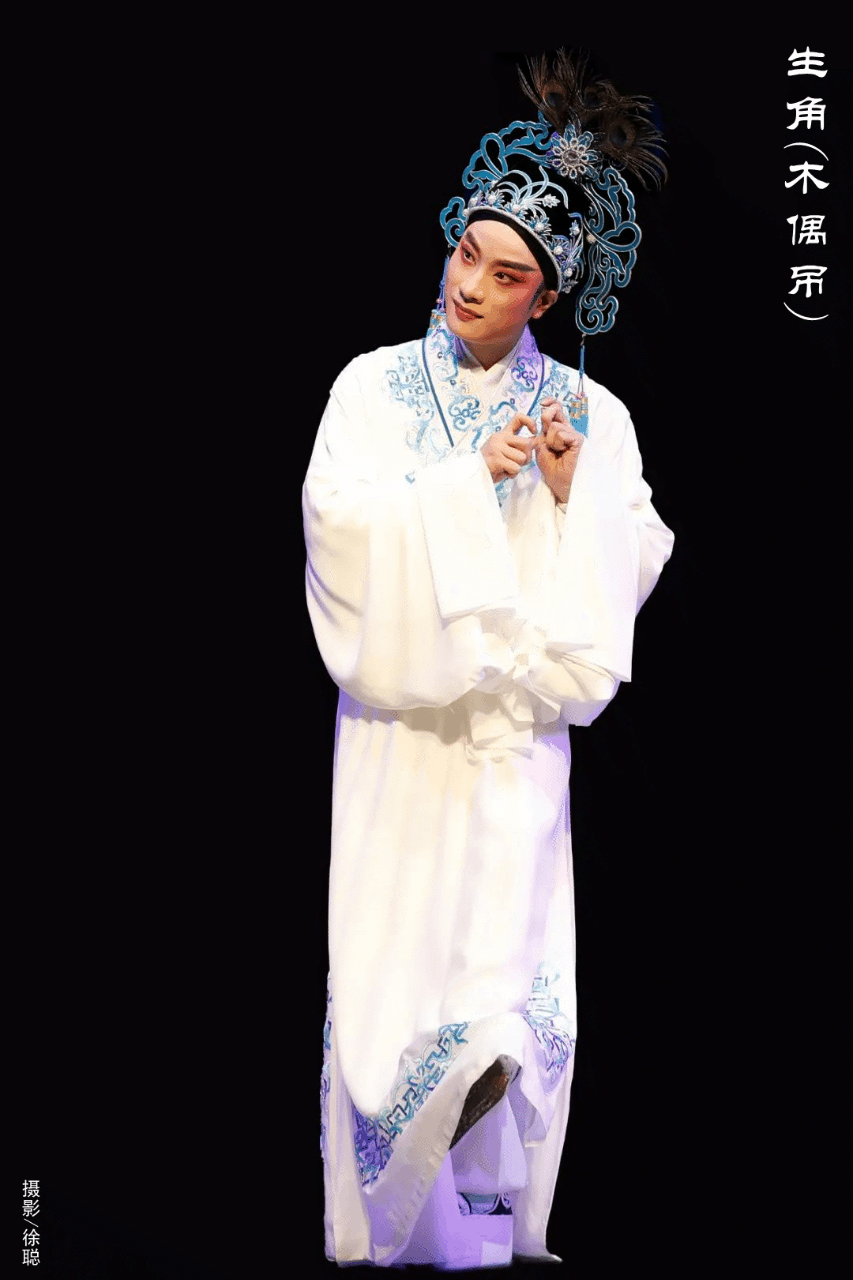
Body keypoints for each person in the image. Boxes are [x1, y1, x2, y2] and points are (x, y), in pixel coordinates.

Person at [303, 50, 674, 1270]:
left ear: (546, 298)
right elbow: (338, 532)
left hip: (514, 754)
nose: (469, 283)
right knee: (394, 999)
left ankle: (481, 1232)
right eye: (467, 252)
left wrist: (570, 494)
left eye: (506, 274)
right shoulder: (370, 388)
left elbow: (627, 570)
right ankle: (390, 1237)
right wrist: (468, 483)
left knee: (498, 1017)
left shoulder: (591, 416)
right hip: (404, 741)